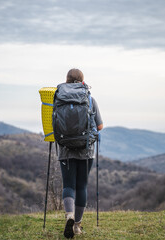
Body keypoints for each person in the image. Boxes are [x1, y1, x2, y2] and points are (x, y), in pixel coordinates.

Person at [58, 68, 103, 238]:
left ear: (67, 80)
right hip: (86, 150)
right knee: (82, 185)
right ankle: (77, 225)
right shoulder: (90, 99)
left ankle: (68, 214)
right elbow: (99, 127)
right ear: (82, 80)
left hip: (65, 149)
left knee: (68, 185)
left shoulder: (59, 98)